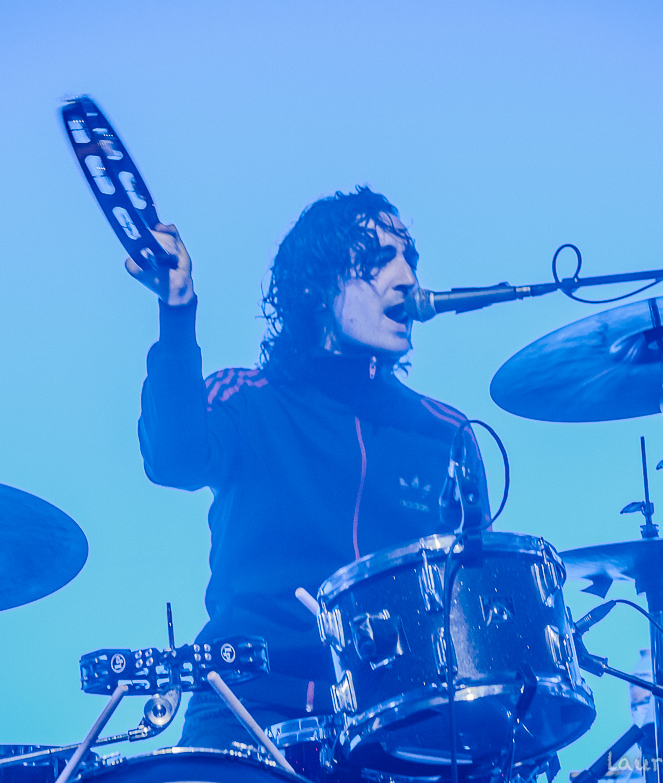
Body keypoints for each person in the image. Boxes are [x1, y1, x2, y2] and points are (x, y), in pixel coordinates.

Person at [131, 186, 488, 748]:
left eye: (409, 259)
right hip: (248, 710)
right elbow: (173, 459)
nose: (405, 278)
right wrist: (176, 311)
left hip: (398, 725)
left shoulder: (444, 434)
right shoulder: (247, 398)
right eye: (378, 260)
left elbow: (474, 604)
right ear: (312, 288)